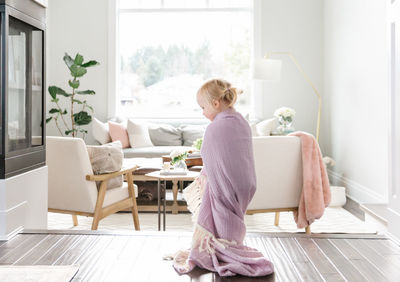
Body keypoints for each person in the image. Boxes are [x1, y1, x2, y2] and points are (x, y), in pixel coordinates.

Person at [172, 79, 274, 277]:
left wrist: (206, 177)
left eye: (203, 107)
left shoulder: (215, 128)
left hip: (225, 184)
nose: (202, 112)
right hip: (245, 182)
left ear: (215, 104)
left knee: (223, 219)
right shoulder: (241, 121)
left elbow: (209, 156)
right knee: (233, 217)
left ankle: (227, 250)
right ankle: (231, 244)